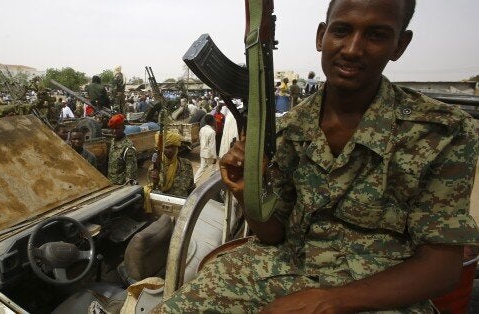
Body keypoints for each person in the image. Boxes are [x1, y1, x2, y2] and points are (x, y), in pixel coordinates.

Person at [154, 0, 478, 312]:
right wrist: (247, 193)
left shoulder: (442, 132)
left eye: (376, 35)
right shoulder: (290, 128)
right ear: (321, 36)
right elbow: (273, 233)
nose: (352, 49)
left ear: (399, 45)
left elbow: (442, 267)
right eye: (342, 31)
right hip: (284, 266)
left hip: (381, 292)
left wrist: (331, 301)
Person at [146, 131, 195, 198]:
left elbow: (191, 189)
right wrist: (155, 182)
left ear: (177, 148)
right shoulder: (154, 169)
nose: (170, 150)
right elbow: (152, 193)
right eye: (167, 147)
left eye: (173, 147)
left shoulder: (186, 165)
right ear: (162, 149)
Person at [107, 114, 137, 185]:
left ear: (123, 128)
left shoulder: (128, 147)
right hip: (111, 183)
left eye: (117, 128)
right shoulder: (113, 141)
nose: (114, 131)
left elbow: (130, 172)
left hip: (121, 186)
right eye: (112, 128)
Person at [194, 115, 217, 183]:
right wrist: (214, 157)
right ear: (212, 121)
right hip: (209, 153)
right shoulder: (212, 132)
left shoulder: (202, 129)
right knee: (212, 168)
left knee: (202, 167)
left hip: (203, 151)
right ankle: (212, 184)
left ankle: (194, 181)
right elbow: (212, 146)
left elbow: (201, 139)